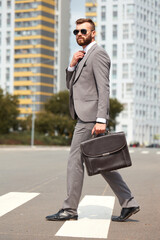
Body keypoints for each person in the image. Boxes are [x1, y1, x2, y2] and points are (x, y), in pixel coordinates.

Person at [46, 18, 140, 222]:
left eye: (83, 31)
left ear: (93, 33)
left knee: (74, 161)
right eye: (76, 31)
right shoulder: (82, 56)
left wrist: (101, 119)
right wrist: (71, 66)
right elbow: (71, 87)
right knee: (101, 161)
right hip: (85, 116)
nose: (79, 34)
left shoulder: (98, 55)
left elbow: (103, 88)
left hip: (90, 118)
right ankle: (129, 202)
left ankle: (69, 209)